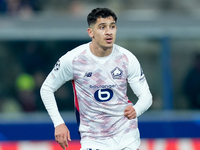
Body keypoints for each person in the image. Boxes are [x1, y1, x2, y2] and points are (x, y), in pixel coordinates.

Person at [40, 7, 152, 150]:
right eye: (102, 27)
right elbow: (47, 88)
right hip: (93, 139)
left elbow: (146, 96)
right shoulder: (73, 59)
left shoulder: (127, 58)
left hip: (126, 136)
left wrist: (137, 109)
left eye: (112, 26)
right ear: (90, 32)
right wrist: (58, 123)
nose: (108, 32)